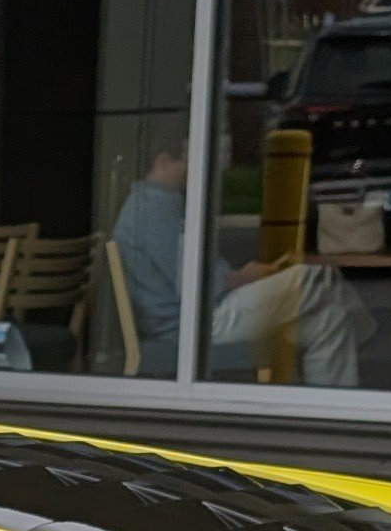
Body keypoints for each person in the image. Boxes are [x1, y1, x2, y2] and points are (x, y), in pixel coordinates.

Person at [108, 147, 369, 387]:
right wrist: (242, 277)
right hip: (195, 323)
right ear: (164, 162)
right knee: (313, 275)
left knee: (329, 320)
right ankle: (372, 335)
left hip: (205, 311)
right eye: (185, 161)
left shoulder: (156, 203)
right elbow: (191, 282)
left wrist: (242, 276)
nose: (191, 167)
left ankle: (324, 414)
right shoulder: (152, 209)